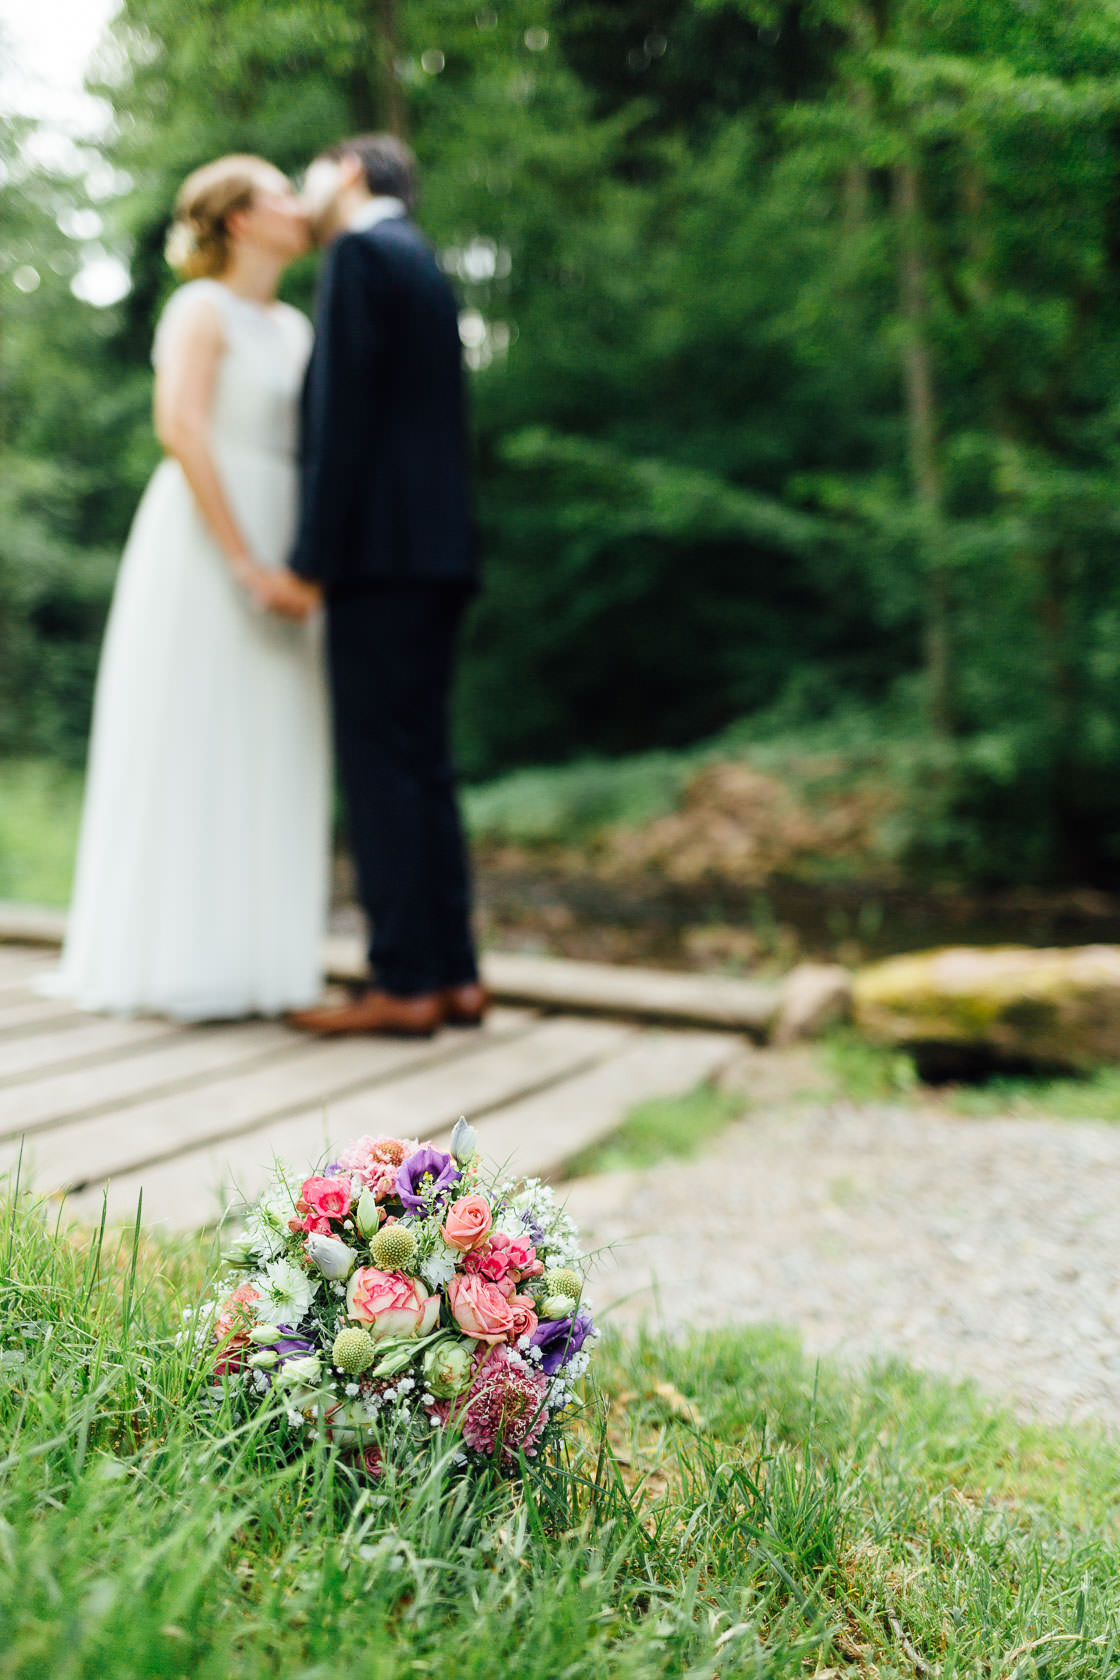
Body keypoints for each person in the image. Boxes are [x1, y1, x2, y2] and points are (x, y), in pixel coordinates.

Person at [44, 155, 331, 1020]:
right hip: (207, 538)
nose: (298, 206)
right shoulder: (199, 309)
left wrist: (306, 562)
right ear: (239, 219)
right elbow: (181, 427)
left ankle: (262, 962)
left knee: (273, 735)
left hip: (287, 532)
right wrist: (244, 560)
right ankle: (175, 959)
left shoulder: (296, 326)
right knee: (195, 726)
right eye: (280, 193)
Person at [283, 133, 485, 1038]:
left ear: (351, 172)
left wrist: (310, 558)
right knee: (426, 764)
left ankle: (402, 981)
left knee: (379, 770)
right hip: (441, 552)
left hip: (377, 557)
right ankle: (457, 976)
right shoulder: (422, 259)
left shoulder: (359, 253)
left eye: (313, 171)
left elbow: (343, 419)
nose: (305, 189)